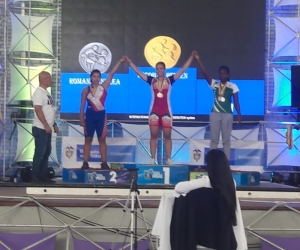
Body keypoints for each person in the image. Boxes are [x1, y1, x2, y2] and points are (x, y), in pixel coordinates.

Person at [125, 52, 196, 165]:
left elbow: (182, 70)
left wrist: (191, 57)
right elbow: (138, 72)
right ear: (155, 70)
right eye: (157, 68)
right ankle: (153, 159)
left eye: (161, 68)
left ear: (165, 69)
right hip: (154, 112)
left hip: (166, 112)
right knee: (154, 135)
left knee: (168, 136)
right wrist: (130, 62)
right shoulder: (151, 81)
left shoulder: (170, 80)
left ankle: (169, 159)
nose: (159, 70)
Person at [174, 149, 247, 250]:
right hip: (226, 235)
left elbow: (178, 188)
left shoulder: (206, 182)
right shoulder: (231, 183)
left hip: (205, 235)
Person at [79, 56, 126, 169]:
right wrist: (81, 118)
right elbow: (82, 105)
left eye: (98, 76)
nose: (96, 78)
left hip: (101, 116)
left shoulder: (104, 87)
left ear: (100, 78)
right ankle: (85, 163)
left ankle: (104, 163)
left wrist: (119, 61)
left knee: (102, 139)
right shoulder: (85, 90)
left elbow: (111, 74)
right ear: (90, 77)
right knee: (88, 139)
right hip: (89, 116)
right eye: (94, 76)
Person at [194, 52, 241, 160]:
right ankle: (212, 162)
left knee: (226, 140)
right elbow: (205, 74)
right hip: (215, 114)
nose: (222, 75)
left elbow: (236, 101)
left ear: (228, 75)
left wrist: (239, 114)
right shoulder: (215, 85)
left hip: (228, 115)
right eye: (220, 73)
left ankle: (226, 162)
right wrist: (198, 60)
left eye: (224, 73)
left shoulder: (233, 86)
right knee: (214, 140)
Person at [31, 71, 59, 183]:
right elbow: (38, 110)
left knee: (46, 152)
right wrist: (46, 125)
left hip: (47, 128)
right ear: (44, 79)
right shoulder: (38, 93)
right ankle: (35, 176)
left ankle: (43, 175)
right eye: (49, 78)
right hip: (40, 128)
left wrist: (54, 124)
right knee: (40, 152)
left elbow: (49, 111)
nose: (51, 80)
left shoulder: (46, 93)